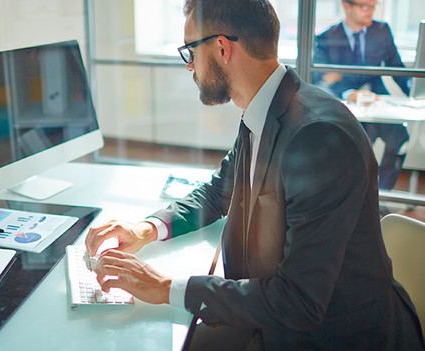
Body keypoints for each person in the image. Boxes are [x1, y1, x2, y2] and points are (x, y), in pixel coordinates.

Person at [85, 0, 424, 349]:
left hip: (334, 338)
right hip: (271, 319)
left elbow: (298, 303)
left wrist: (162, 287)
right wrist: (146, 228)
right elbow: (220, 190)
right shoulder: (267, 109)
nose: (189, 68)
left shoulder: (319, 136)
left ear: (221, 48)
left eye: (190, 51)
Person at [314, 0, 411, 190]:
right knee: (357, 149)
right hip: (348, 105)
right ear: (347, 6)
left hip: (377, 100)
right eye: (364, 6)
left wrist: (414, 90)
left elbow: (396, 67)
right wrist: (350, 93)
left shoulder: (381, 30)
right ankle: (356, 195)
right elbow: (322, 77)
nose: (370, 12)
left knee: (401, 139)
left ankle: (381, 193)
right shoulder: (327, 37)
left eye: (373, 6)